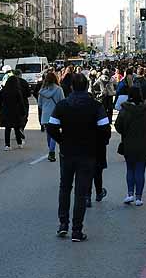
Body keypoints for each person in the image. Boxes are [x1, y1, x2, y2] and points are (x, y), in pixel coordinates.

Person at [46, 74, 111, 241]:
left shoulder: (62, 105)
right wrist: (98, 144)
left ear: (72, 87)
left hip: (67, 152)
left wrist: (62, 140)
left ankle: (63, 224)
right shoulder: (96, 106)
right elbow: (105, 129)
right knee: (81, 192)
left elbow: (51, 127)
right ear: (87, 86)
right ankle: (76, 230)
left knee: (65, 188)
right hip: (88, 153)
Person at [115, 86, 146, 206]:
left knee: (130, 169)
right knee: (140, 170)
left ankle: (130, 194)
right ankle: (139, 197)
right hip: (144, 144)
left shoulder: (125, 109)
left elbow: (118, 126)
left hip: (129, 143)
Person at [37, 70, 66, 163]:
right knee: (54, 134)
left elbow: (39, 104)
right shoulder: (59, 89)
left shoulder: (42, 91)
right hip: (55, 115)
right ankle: (51, 151)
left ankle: (50, 150)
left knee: (49, 134)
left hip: (45, 114)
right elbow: (62, 102)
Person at [0, 71, 30, 149]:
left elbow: (0, 102)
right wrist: (23, 112)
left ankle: (7, 145)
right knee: (17, 128)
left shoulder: (3, 91)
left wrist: (0, 111)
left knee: (7, 129)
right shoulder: (17, 91)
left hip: (6, 111)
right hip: (16, 112)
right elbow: (21, 102)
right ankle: (19, 143)